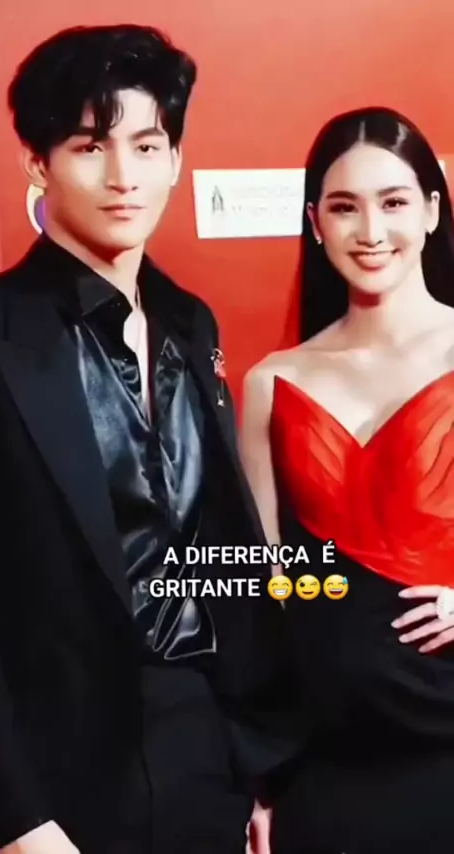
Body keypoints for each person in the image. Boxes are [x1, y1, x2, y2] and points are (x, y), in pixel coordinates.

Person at [0, 24, 291, 854]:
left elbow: (219, 544)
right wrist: (12, 816)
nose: (124, 177)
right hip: (56, 779)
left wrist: (254, 765)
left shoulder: (192, 324)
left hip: (204, 753)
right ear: (36, 163)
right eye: (90, 146)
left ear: (176, 159)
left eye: (147, 146)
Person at [240, 106, 454, 854]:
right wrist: (259, 776)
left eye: (393, 202)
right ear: (315, 223)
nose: (370, 230)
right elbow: (260, 594)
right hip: (328, 764)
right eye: (343, 207)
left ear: (431, 211)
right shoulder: (271, 383)